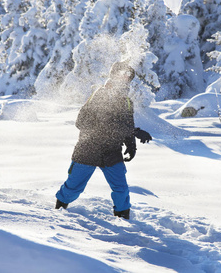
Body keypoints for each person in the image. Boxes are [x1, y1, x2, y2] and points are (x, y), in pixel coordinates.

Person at [55, 61, 152, 220]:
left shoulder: (127, 102)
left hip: (112, 152)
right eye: (122, 75)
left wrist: (131, 144)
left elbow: (126, 124)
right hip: (88, 150)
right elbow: (82, 122)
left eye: (128, 77)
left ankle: (124, 220)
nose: (125, 79)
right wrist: (133, 132)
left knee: (121, 190)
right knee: (72, 189)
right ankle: (58, 212)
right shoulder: (100, 95)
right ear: (113, 76)